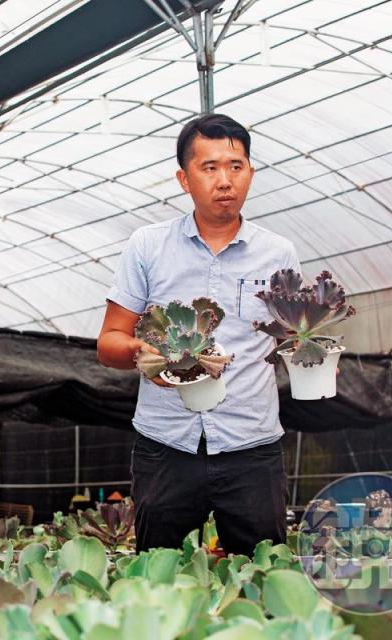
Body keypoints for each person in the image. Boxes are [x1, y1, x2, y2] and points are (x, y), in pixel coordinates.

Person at [96, 113, 301, 556]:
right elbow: (109, 341)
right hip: (167, 444)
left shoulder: (278, 253)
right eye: (209, 168)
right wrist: (141, 353)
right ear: (184, 179)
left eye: (236, 166)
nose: (224, 180)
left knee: (262, 582)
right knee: (159, 578)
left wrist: (312, 346)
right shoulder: (148, 246)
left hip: (251, 446)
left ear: (250, 173)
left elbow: (292, 338)